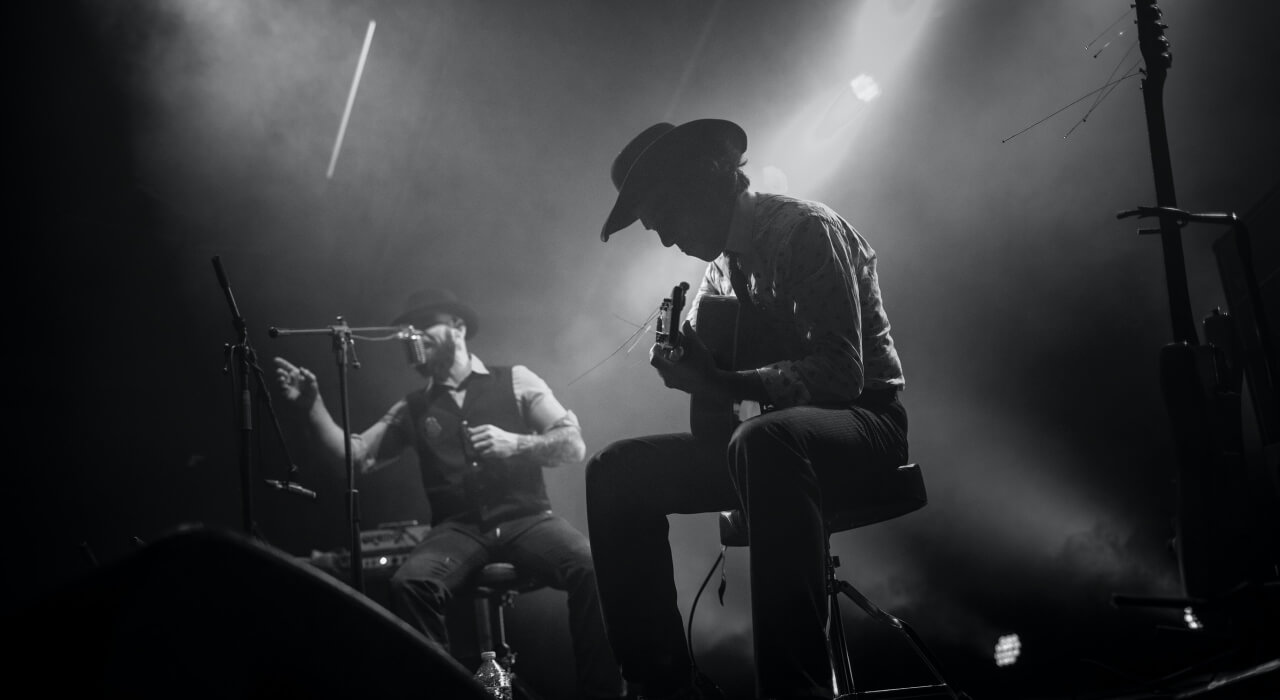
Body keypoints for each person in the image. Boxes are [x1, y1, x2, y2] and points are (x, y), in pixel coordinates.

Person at [586, 120, 908, 700]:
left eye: (665, 216)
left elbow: (842, 374)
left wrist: (720, 379)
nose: (665, 241)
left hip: (867, 423)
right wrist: (692, 372)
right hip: (767, 445)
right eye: (655, 228)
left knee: (763, 442)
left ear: (707, 179)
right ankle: (658, 686)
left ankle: (796, 691)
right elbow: (716, 407)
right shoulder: (718, 271)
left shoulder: (802, 230)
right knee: (616, 473)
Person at [274, 288, 625, 700]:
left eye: (425, 325)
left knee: (592, 566)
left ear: (457, 327)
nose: (413, 336)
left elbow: (572, 444)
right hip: (457, 529)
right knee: (410, 583)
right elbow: (357, 458)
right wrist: (313, 407)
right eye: (409, 330)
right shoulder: (412, 407)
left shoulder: (515, 379)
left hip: (527, 518)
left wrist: (516, 444)